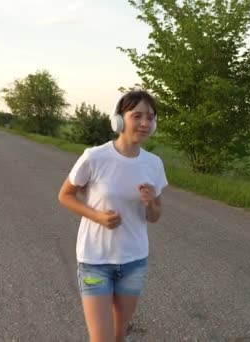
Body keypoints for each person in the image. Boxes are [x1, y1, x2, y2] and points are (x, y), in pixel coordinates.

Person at [58, 90, 168, 342]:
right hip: (95, 260)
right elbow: (65, 195)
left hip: (134, 261)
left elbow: (155, 215)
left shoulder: (154, 164)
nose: (144, 123)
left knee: (119, 336)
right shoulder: (94, 157)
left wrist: (151, 202)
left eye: (150, 117)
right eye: (137, 115)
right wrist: (97, 216)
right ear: (118, 120)